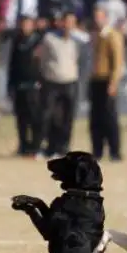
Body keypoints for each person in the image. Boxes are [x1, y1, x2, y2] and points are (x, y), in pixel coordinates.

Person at [37, 12, 80, 157]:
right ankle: (50, 146)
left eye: (72, 22)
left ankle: (64, 147)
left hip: (70, 81)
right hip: (52, 82)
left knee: (68, 117)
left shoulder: (78, 40)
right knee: (50, 116)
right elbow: (42, 60)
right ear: (61, 23)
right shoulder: (49, 39)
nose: (68, 26)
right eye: (66, 22)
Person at [88, 7, 124, 161]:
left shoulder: (112, 36)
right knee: (96, 118)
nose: (97, 20)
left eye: (100, 17)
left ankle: (115, 151)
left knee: (109, 118)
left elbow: (117, 62)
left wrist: (114, 82)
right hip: (96, 80)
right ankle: (97, 150)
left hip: (107, 81)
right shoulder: (96, 36)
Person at [7, 17, 43, 157]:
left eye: (28, 24)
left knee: (34, 117)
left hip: (34, 85)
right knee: (21, 118)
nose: (25, 27)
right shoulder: (17, 41)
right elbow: (12, 64)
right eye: (23, 24)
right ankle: (23, 145)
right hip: (19, 85)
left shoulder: (38, 41)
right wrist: (10, 84)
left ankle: (35, 146)